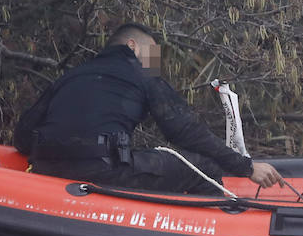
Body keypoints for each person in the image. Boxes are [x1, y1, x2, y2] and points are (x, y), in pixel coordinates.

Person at [14, 22, 282, 194]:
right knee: (205, 167)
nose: (156, 62)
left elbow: (23, 138)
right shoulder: (142, 75)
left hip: (47, 168)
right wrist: (246, 167)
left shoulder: (71, 76)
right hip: (102, 170)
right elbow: (185, 131)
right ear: (132, 46)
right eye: (153, 53)